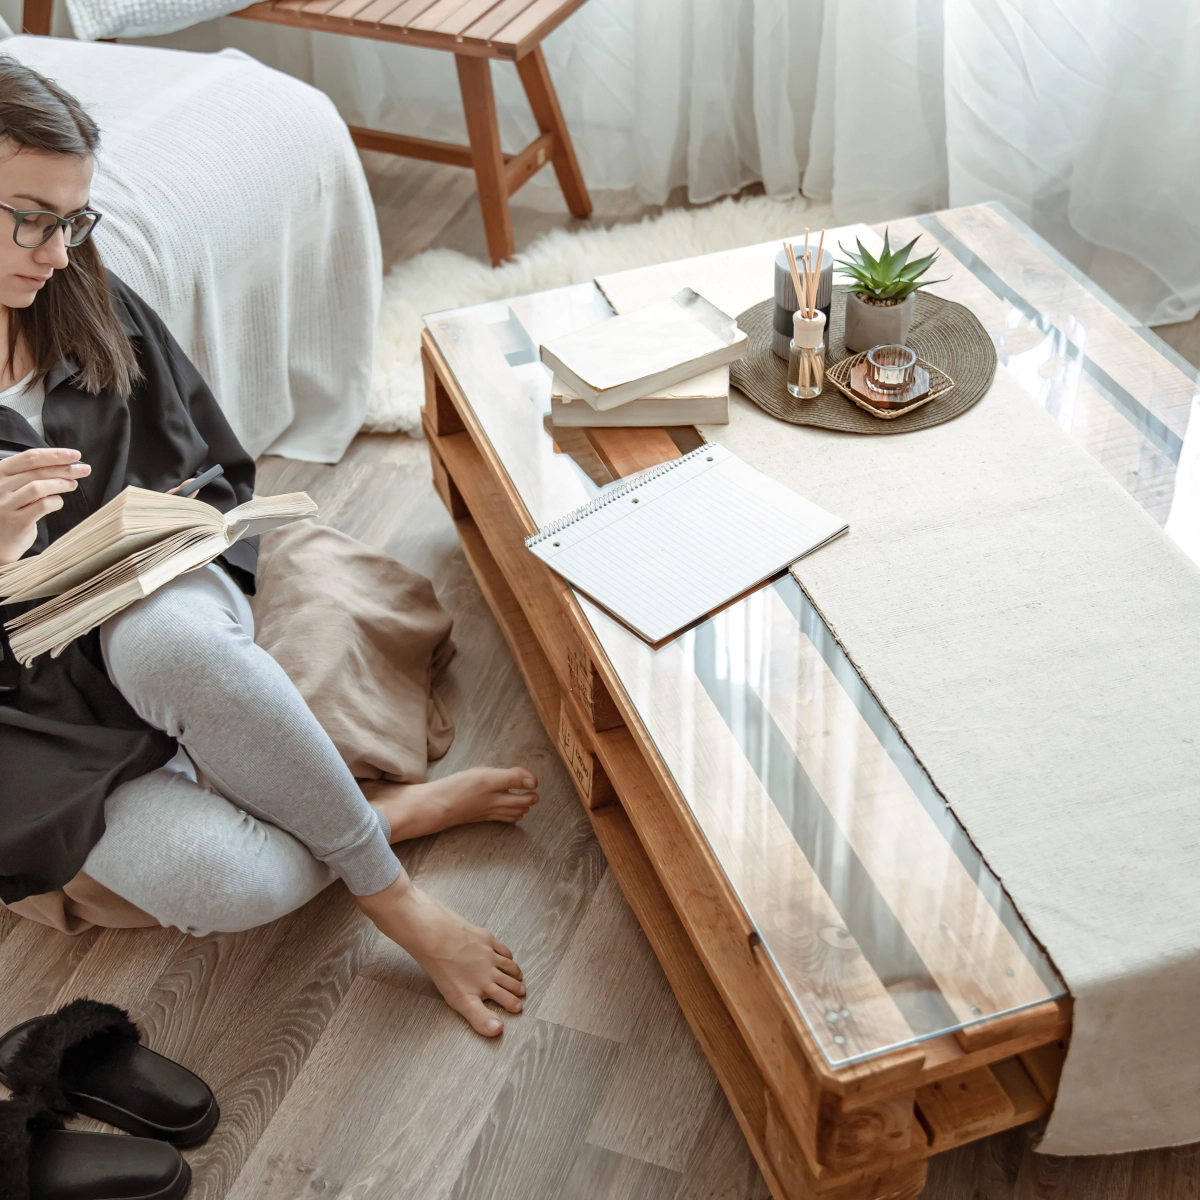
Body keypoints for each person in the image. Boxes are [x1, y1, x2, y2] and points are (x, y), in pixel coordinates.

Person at [0, 59, 536, 1038]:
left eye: (76, 220)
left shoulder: (85, 298)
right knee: (235, 884)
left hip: (156, 615)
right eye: (31, 218)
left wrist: (158, 533)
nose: (58, 249)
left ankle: (395, 900)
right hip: (29, 716)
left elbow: (206, 464)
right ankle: (379, 820)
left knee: (169, 645)